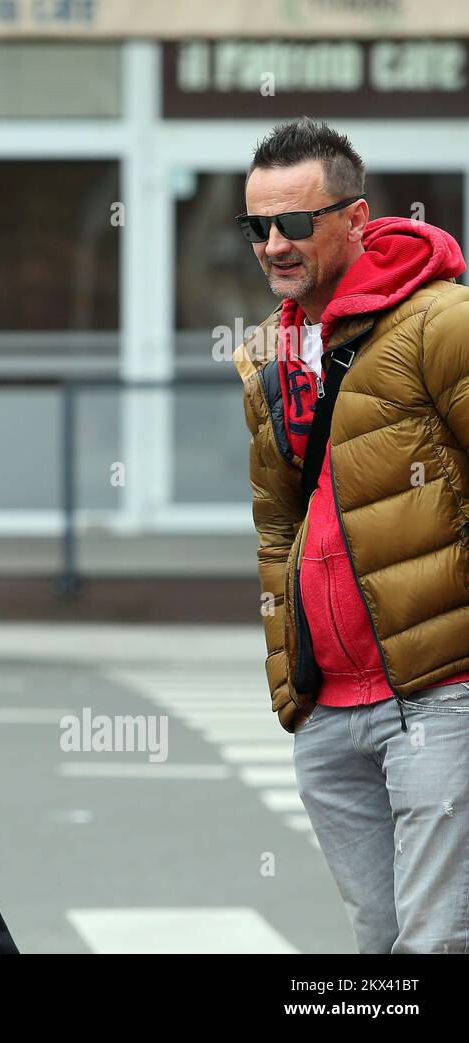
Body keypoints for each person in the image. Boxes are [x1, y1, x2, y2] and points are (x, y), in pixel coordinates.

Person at [232, 116, 469, 953]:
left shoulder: (440, 322)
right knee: (378, 937)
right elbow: (277, 525)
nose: (272, 245)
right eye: (256, 226)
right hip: (331, 706)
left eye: (294, 223)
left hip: (437, 691)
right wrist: (291, 678)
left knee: (435, 940)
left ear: (357, 218)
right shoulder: (270, 355)